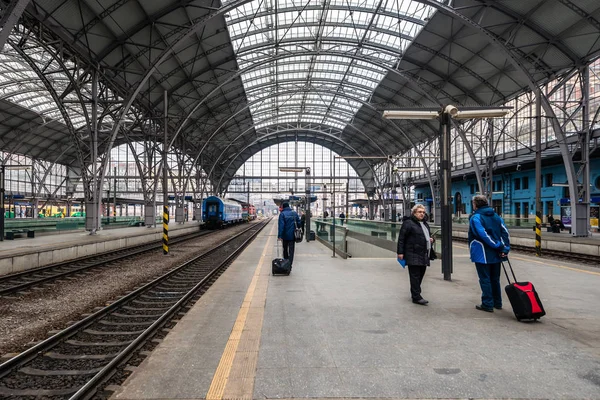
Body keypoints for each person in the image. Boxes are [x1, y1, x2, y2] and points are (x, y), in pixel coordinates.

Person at [468, 195, 510, 312]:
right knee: (495, 279)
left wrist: (496, 245)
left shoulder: (476, 217)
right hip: (497, 254)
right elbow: (505, 233)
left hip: (482, 253)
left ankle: (487, 303)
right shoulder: (497, 217)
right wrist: (504, 249)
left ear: (475, 204)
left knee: (485, 279)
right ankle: (498, 302)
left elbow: (482, 234)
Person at [397, 204, 434, 305]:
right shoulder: (408, 223)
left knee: (420, 275)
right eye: (419, 212)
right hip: (412, 253)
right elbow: (401, 238)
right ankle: (416, 296)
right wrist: (400, 252)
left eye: (423, 212)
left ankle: (415, 293)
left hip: (424, 253)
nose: (422, 214)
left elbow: (427, 237)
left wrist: (432, 240)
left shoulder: (425, 224)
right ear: (414, 213)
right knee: (415, 276)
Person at [278, 202, 301, 268]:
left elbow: (281, 226)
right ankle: (290, 264)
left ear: (283, 207)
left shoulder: (282, 214)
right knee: (291, 250)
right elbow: (299, 224)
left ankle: (285, 263)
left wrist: (280, 236)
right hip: (293, 235)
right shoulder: (294, 213)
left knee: (285, 249)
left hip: (285, 236)